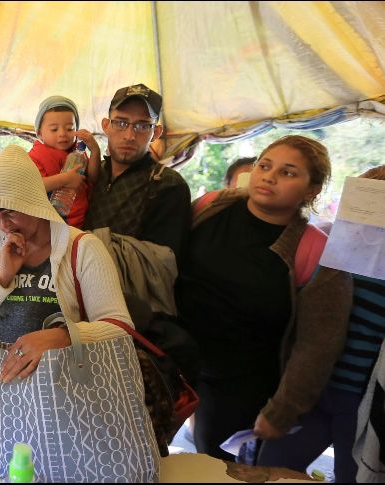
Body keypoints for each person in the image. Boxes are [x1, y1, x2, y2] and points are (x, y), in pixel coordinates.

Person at [0, 144, 157, 481]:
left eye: (8, 210)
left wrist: (61, 335)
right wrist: (2, 276)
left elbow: (119, 326)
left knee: (70, 471)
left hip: (73, 393)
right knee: (20, 472)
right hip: (12, 393)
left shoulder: (81, 247)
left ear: (29, 200)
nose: (2, 222)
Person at [175, 135, 353, 461]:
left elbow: (319, 343)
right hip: (173, 359)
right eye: (264, 165)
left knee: (214, 466)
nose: (269, 176)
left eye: (288, 172)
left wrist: (283, 409)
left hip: (239, 385)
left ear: (312, 190)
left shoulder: (317, 252)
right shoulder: (211, 206)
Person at [256, 165, 385, 481]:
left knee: (355, 476)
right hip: (311, 389)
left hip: (362, 404)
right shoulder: (327, 243)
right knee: (269, 468)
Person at [83, 83, 191, 266]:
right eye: (121, 123)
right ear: (106, 125)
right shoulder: (90, 173)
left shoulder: (168, 185)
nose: (129, 135)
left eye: (142, 126)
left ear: (156, 132)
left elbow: (160, 265)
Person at [28, 95, 100, 228]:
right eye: (54, 129)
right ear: (39, 133)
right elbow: (33, 186)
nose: (62, 133)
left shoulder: (78, 153)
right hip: (51, 225)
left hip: (82, 222)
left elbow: (93, 178)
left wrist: (95, 151)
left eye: (69, 128)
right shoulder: (35, 156)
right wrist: (65, 179)